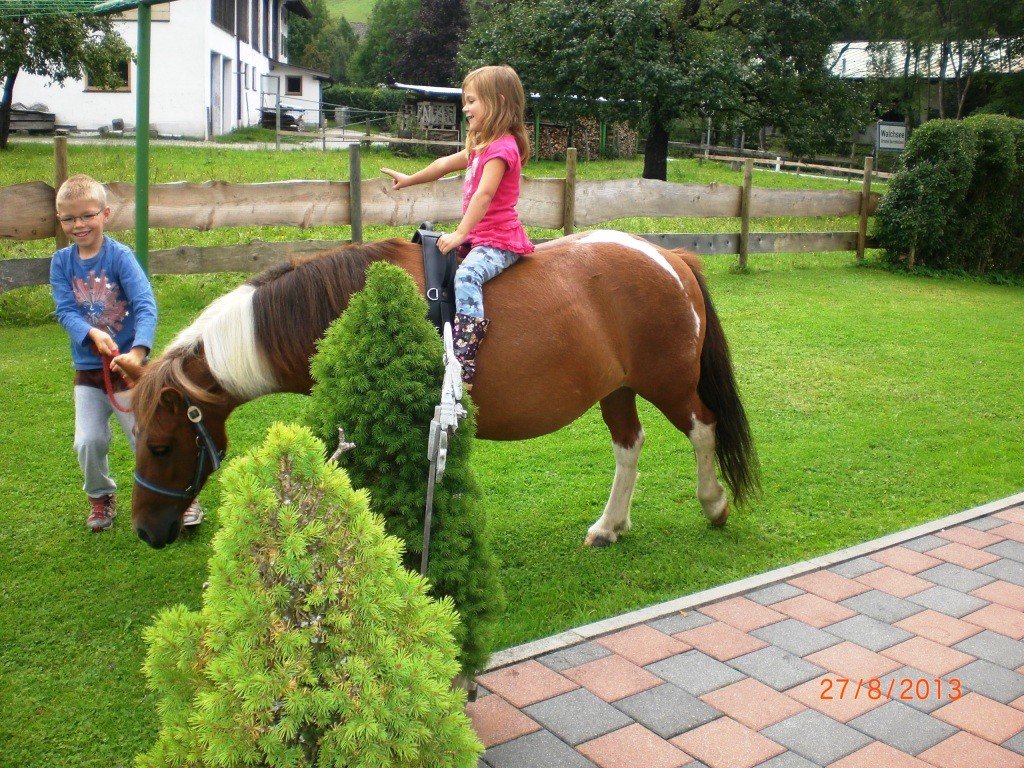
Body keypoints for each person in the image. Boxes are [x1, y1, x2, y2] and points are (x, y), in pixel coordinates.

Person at [50, 174, 203, 532]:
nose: (79, 224)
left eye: (86, 215)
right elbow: (65, 311)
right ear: (60, 221)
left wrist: (138, 352)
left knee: (150, 438)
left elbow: (145, 304)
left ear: (105, 213)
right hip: (88, 372)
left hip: (129, 371)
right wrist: (89, 333)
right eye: (69, 218)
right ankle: (101, 497)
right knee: (88, 441)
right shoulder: (61, 263)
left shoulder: (119, 257)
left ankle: (184, 496)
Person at [381, 64, 534, 389]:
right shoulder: (480, 147)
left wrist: (461, 233)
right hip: (480, 236)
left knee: (467, 276)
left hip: (499, 241)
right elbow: (443, 164)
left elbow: (485, 194)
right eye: (465, 100)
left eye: (472, 100)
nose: (465, 107)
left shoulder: (502, 149)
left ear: (499, 102)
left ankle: (465, 358)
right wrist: (410, 180)